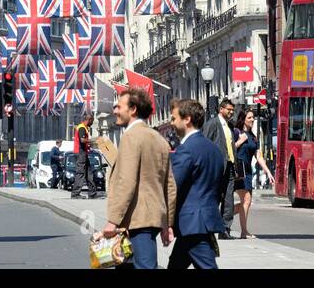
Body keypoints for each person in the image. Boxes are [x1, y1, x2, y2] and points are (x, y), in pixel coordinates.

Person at [102, 88, 175, 269]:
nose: (115, 111)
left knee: (144, 266)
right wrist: (168, 223)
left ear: (132, 109)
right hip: (152, 217)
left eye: (119, 107)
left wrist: (113, 220)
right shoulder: (159, 139)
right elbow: (170, 185)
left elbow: (126, 182)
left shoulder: (131, 137)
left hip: (137, 219)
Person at [166, 98, 225, 269]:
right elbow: (220, 187)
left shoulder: (186, 150)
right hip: (201, 220)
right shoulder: (215, 150)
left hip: (192, 223)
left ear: (187, 119)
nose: (171, 123)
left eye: (174, 118)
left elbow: (173, 186)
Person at [233, 108, 275, 240]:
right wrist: (239, 142)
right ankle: (244, 231)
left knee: (246, 202)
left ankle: (222, 216)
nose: (252, 120)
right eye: (249, 117)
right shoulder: (236, 132)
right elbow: (228, 148)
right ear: (243, 119)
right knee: (246, 200)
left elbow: (258, 156)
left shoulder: (253, 137)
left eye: (253, 118)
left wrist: (268, 172)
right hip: (238, 170)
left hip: (248, 172)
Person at [202, 98, 238, 239]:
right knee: (214, 197)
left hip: (229, 166)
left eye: (232, 110)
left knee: (228, 198)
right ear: (221, 109)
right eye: (228, 110)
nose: (231, 112)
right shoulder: (212, 124)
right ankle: (208, 228)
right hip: (216, 167)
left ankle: (225, 229)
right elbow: (205, 144)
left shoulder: (230, 126)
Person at [71, 112, 95, 199]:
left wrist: (89, 144)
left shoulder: (84, 127)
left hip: (83, 152)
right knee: (80, 172)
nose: (92, 123)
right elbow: (82, 140)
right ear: (89, 120)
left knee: (89, 172)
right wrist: (93, 141)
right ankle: (75, 194)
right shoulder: (81, 127)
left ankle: (92, 193)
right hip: (80, 152)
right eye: (92, 121)